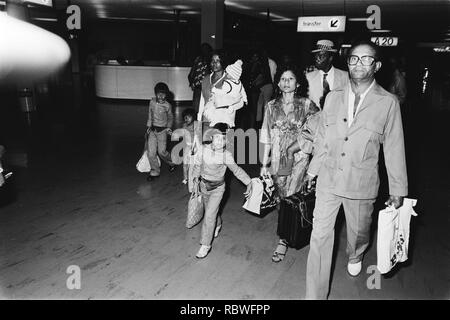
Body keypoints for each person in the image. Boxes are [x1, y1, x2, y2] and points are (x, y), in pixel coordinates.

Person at [304, 40, 408, 299]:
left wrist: (398, 189)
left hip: (361, 184)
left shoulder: (388, 103)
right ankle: (314, 296)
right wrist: (312, 171)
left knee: (359, 233)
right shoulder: (333, 97)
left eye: (366, 59)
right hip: (329, 178)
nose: (358, 63)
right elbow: (323, 139)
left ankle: (356, 253)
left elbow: (394, 148)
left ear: (377, 65)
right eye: (353, 58)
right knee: (319, 237)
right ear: (347, 62)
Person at [259, 65, 321, 262]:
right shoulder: (270, 106)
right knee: (280, 196)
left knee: (293, 195)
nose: (286, 82)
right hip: (278, 159)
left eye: (291, 78)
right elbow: (265, 135)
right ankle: (288, 226)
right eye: (283, 79)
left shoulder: (307, 105)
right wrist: (263, 162)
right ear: (278, 83)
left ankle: (283, 240)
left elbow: (317, 131)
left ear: (298, 83)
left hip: (299, 159)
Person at [191, 123, 253, 259]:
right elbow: (197, 165)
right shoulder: (203, 150)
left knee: (209, 216)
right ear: (212, 137)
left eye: (223, 139)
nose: (220, 142)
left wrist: (249, 182)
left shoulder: (226, 156)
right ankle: (218, 224)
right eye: (217, 138)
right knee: (211, 212)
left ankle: (205, 244)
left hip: (218, 189)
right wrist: (195, 178)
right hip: (203, 186)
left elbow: (237, 170)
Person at [202, 59, 247, 128]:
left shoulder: (227, 83)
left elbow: (222, 92)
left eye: (217, 61)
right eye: (212, 60)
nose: (226, 74)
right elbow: (242, 91)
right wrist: (245, 99)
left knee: (225, 125)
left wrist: (214, 90)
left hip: (228, 108)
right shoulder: (239, 83)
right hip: (228, 107)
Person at [306, 40, 348, 109]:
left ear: (330, 58)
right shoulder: (308, 77)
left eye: (321, 56)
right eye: (316, 55)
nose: (317, 59)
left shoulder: (345, 77)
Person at [146, 82, 176, 181]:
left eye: (163, 94)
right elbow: (150, 114)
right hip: (153, 131)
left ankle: (171, 162)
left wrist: (168, 127)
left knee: (162, 151)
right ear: (155, 93)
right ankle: (155, 171)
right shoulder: (152, 102)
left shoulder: (168, 106)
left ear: (166, 95)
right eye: (158, 93)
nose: (160, 96)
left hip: (162, 131)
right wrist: (148, 126)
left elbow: (171, 117)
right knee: (151, 153)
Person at [197, 50, 229, 138]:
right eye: (212, 60)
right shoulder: (206, 79)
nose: (214, 63)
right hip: (207, 119)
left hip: (222, 121)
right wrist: (199, 120)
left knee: (222, 148)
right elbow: (202, 101)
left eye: (217, 61)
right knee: (207, 147)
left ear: (223, 62)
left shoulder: (229, 79)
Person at [247, 50, 273, 129]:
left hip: (264, 86)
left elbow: (262, 76)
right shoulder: (262, 64)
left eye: (255, 56)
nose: (254, 58)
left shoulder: (261, 64)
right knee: (260, 104)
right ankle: (259, 123)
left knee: (263, 105)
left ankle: (263, 124)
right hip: (262, 86)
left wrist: (254, 83)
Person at [188, 43, 213, 112]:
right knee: (196, 106)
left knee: (206, 105)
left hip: (208, 86)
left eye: (206, 49)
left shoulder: (211, 60)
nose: (204, 51)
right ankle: (197, 120)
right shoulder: (198, 59)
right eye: (203, 49)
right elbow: (193, 71)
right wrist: (191, 82)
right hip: (198, 86)